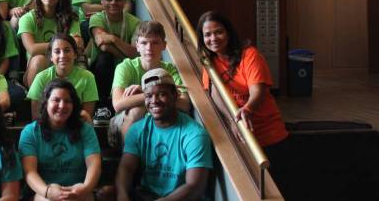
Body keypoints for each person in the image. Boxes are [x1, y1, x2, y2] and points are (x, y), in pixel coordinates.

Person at [196, 11, 288, 150]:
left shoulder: (250, 55)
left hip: (268, 133)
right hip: (239, 133)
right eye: (207, 35)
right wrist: (233, 120)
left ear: (228, 33)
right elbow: (215, 93)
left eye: (219, 32)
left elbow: (258, 91)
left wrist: (247, 109)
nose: (213, 38)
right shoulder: (209, 61)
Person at [115, 69, 212, 201]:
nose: (154, 101)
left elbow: (194, 186)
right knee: (104, 194)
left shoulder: (194, 134)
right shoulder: (137, 130)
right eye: (148, 96)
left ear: (175, 96)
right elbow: (126, 168)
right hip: (146, 194)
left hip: (179, 198)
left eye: (162, 94)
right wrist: (123, 196)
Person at [110, 21, 189, 147]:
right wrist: (160, 95)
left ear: (164, 45)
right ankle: (128, 156)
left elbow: (184, 104)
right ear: (137, 45)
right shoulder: (125, 67)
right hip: (124, 121)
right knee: (138, 110)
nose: (149, 48)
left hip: (159, 117)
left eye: (155, 43)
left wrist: (144, 92)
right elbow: (118, 104)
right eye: (144, 43)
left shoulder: (170, 69)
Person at [20, 79, 101, 201]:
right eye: (56, 100)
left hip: (78, 189)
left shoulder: (85, 130)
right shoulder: (30, 132)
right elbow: (29, 172)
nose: (62, 106)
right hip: (43, 192)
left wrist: (86, 188)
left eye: (68, 101)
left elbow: (94, 164)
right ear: (46, 103)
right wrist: (47, 191)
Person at [88, 0, 140, 121]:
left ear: (124, 1)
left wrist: (114, 39)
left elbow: (136, 53)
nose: (113, 3)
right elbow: (102, 44)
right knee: (105, 57)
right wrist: (125, 51)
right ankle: (102, 106)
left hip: (126, 68)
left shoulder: (135, 23)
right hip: (101, 70)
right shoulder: (96, 18)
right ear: (102, 1)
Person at [19, 0, 82, 87]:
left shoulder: (71, 18)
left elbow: (77, 43)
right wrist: (64, 44)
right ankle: (36, 101)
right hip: (36, 68)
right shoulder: (27, 18)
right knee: (39, 59)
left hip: (63, 64)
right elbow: (32, 49)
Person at [27, 34, 97, 122]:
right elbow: (36, 117)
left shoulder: (88, 77)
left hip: (75, 128)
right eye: (57, 51)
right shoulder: (41, 78)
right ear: (51, 57)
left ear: (75, 54)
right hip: (48, 128)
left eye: (67, 50)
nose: (62, 55)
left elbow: (86, 116)